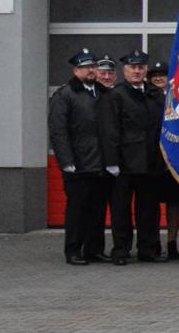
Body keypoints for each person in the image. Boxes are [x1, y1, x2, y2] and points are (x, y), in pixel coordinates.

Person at [98, 50, 169, 263]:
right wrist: (111, 162)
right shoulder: (116, 95)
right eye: (133, 67)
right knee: (121, 210)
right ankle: (121, 250)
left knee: (149, 209)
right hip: (125, 163)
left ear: (146, 70)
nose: (137, 71)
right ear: (125, 70)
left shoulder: (155, 94)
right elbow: (109, 130)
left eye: (140, 67)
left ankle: (148, 249)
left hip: (151, 161)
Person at [48, 49, 108, 265]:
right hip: (78, 165)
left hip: (100, 164)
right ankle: (73, 250)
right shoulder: (65, 95)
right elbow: (58, 130)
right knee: (77, 211)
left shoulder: (103, 92)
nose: (90, 70)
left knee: (97, 210)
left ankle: (94, 249)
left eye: (93, 66)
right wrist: (66, 161)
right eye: (85, 67)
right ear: (76, 70)